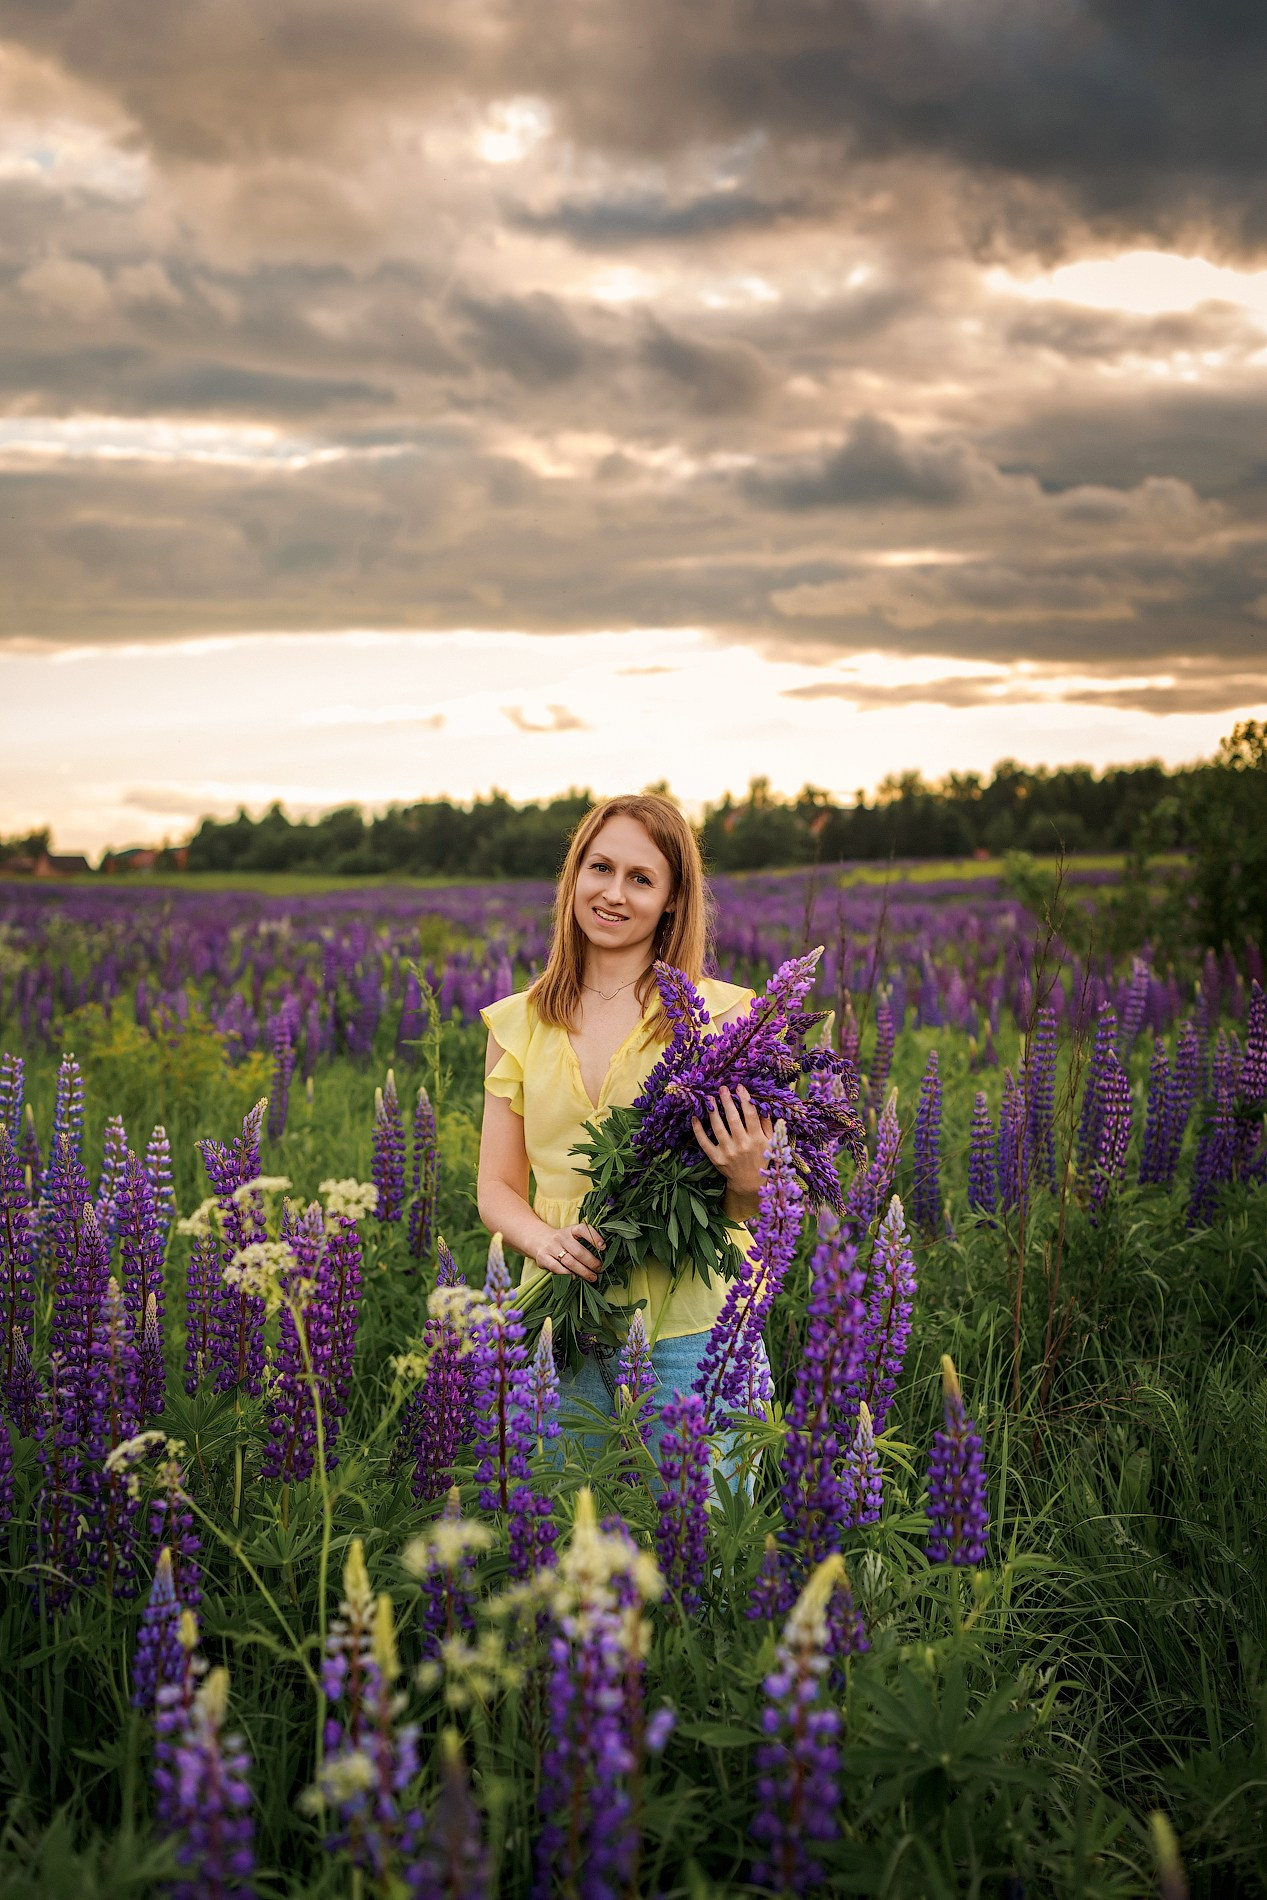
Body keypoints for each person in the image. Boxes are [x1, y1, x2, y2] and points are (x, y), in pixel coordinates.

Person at [476, 791, 772, 1452]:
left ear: (672, 898)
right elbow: (495, 1186)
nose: (613, 893)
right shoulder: (516, 1023)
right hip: (556, 1322)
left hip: (693, 1328)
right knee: (560, 1538)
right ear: (573, 875)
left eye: (640, 879)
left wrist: (750, 1179)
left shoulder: (725, 1020)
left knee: (698, 1550)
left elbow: (753, 1208)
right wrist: (540, 1239)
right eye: (600, 868)